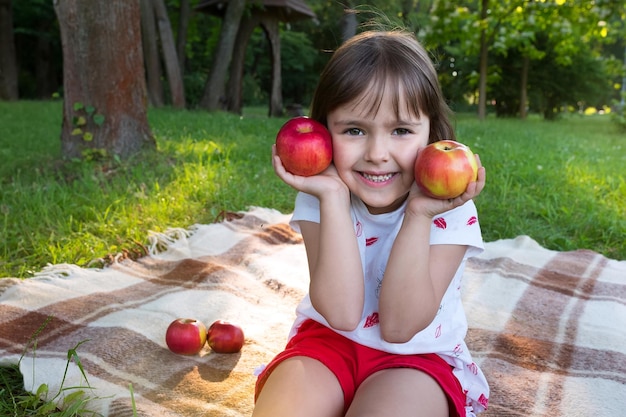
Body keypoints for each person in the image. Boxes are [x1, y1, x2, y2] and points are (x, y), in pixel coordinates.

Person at [253, 30, 489, 417]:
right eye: (354, 130)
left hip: (417, 358)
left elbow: (399, 328)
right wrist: (332, 198)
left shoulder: (450, 208)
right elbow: (342, 314)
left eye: (400, 131)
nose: (377, 154)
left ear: (432, 131)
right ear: (324, 131)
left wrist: (418, 214)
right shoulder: (322, 193)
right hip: (326, 343)